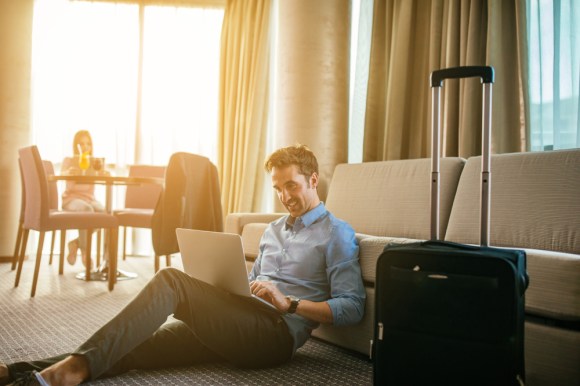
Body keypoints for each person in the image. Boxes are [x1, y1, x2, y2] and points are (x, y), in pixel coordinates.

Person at [0, 144, 365, 386]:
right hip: (239, 319)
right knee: (138, 343)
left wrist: (291, 303)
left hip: (274, 338)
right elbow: (255, 281)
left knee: (172, 282)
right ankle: (20, 373)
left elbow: (352, 307)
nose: (285, 197)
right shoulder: (271, 230)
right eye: (278, 189)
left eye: (292, 186)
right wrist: (227, 284)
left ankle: (71, 371)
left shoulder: (337, 234)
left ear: (313, 180)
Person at [60, 130, 105, 267]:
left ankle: (76, 243)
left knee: (105, 214)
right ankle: (86, 252)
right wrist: (67, 173)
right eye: (81, 144)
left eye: (87, 144)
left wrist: (103, 173)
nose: (85, 147)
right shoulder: (69, 161)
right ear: (76, 146)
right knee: (87, 210)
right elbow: (60, 174)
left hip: (90, 198)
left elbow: (103, 178)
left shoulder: (95, 162)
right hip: (71, 200)